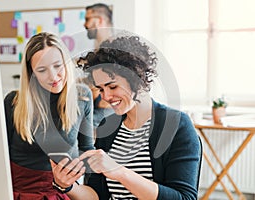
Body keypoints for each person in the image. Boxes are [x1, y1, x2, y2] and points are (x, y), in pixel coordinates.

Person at [78, 35, 202, 200]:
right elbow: (96, 195)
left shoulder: (176, 125)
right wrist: (67, 186)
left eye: (112, 86)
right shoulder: (107, 126)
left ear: (137, 78)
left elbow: (184, 197)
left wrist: (119, 172)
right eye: (100, 89)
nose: (106, 96)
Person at [4, 32, 98, 200]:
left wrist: (90, 189)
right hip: (18, 192)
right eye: (42, 70)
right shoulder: (13, 102)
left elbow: (87, 150)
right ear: (31, 73)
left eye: (58, 66)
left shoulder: (82, 96)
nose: (53, 77)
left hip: (61, 190)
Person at [83, 3, 114, 129]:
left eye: (87, 19)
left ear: (99, 20)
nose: (85, 25)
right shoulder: (98, 48)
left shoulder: (113, 48)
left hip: (108, 110)